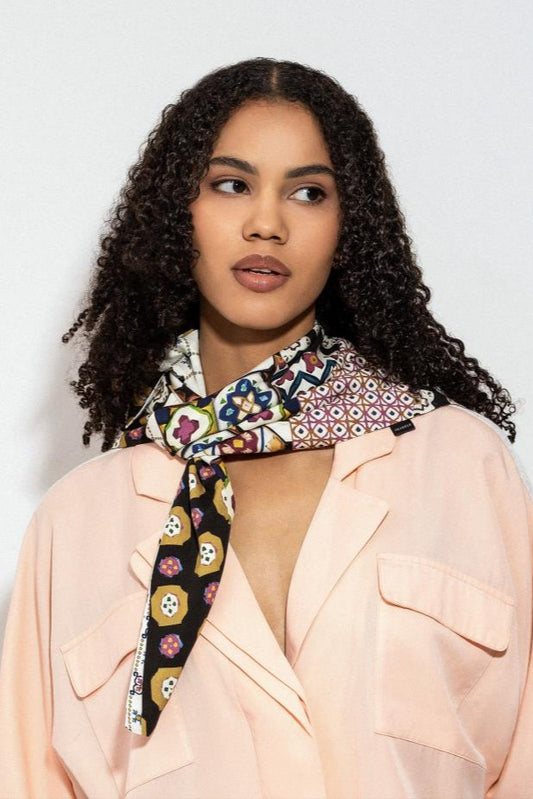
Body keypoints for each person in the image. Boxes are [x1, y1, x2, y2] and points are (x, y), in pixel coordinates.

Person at [0, 57, 531, 799]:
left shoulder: (463, 466)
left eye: (308, 192)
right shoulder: (75, 521)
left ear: (348, 228)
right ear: (176, 212)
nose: (267, 223)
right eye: (231, 184)